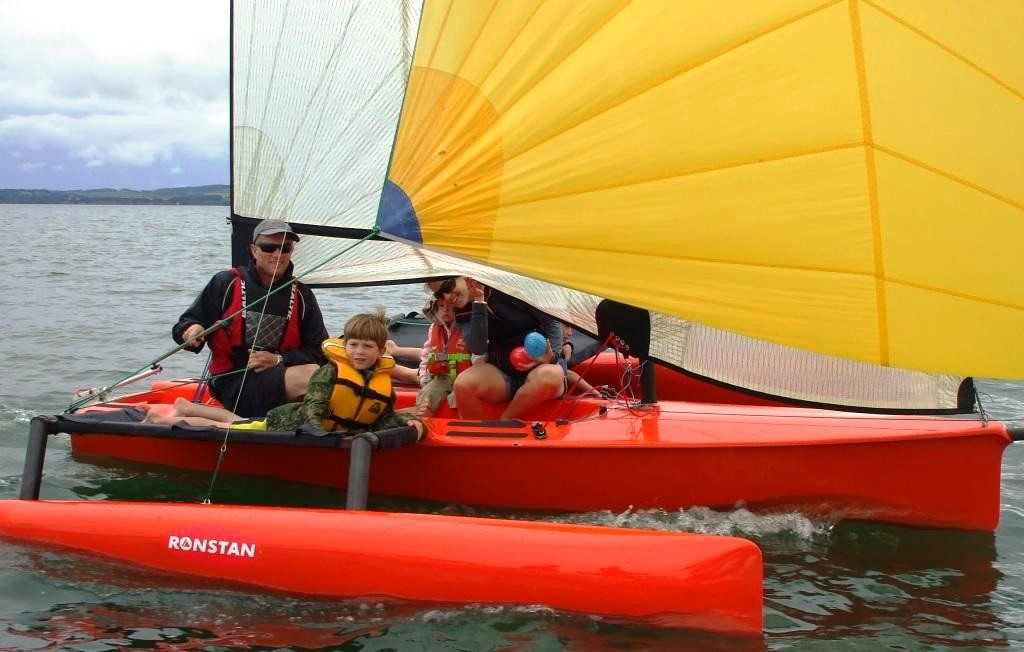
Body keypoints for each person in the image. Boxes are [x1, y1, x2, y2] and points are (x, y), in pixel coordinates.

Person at [147, 309, 423, 438]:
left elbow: (383, 416)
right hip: (288, 423)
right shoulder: (331, 373)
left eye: (367, 347)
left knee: (240, 421)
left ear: (380, 350)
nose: (359, 352)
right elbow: (315, 404)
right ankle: (166, 420)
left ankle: (186, 406)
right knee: (235, 427)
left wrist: (404, 423)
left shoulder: (379, 380)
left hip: (329, 427)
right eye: (353, 345)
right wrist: (315, 430)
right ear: (345, 346)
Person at [172, 219, 329, 418]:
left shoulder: (302, 295)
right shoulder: (226, 282)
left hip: (280, 381)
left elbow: (319, 351)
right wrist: (191, 331)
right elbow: (185, 325)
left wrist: (278, 360)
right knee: (312, 375)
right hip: (231, 383)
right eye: (268, 248)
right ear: (254, 250)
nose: (277, 255)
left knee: (330, 376)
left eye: (285, 248)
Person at [426, 276, 566, 419]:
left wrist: (553, 356)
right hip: (503, 373)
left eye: (448, 287)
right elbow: (478, 348)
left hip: (540, 367)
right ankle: (477, 436)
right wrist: (479, 303)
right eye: (439, 294)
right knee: (463, 384)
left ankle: (505, 420)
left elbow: (552, 323)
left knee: (551, 375)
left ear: (467, 277)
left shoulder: (509, 289)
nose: (447, 297)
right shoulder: (462, 311)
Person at [413, 296, 484, 416]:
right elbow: (427, 353)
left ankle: (462, 426)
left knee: (459, 397)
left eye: (450, 306)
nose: (445, 310)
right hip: (442, 377)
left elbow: (479, 355)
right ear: (435, 308)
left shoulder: (468, 327)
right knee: (427, 394)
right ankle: (422, 423)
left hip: (465, 377)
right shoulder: (434, 328)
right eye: (441, 306)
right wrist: (424, 377)